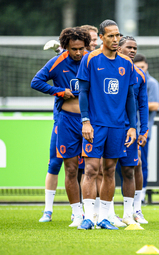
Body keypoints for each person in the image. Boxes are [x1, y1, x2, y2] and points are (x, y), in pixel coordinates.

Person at [77, 19, 137, 230]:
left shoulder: (127, 64)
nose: (115, 39)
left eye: (117, 35)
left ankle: (103, 217)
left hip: (118, 126)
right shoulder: (90, 59)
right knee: (91, 169)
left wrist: (132, 126)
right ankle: (88, 217)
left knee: (110, 170)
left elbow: (131, 97)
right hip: (95, 124)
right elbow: (83, 92)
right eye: (110, 36)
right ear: (101, 37)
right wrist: (85, 121)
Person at [31, 27, 91, 227]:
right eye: (74, 49)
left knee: (94, 168)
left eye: (81, 48)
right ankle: (76, 214)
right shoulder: (57, 62)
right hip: (66, 121)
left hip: (90, 121)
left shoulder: (91, 60)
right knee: (69, 168)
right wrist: (58, 91)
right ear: (65, 47)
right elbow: (36, 81)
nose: (78, 53)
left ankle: (97, 213)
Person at [115, 36, 149, 225]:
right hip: (109, 127)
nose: (133, 50)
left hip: (130, 131)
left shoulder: (139, 75)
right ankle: (107, 212)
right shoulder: (106, 69)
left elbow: (142, 107)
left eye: (135, 48)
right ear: (118, 49)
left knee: (133, 168)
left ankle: (134, 211)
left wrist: (143, 131)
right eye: (129, 47)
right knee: (106, 170)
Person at [133, 54, 159, 202]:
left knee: (141, 162)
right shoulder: (130, 79)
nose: (140, 70)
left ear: (147, 66)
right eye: (138, 67)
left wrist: (135, 103)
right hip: (127, 129)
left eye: (142, 67)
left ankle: (141, 194)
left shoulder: (152, 83)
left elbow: (155, 105)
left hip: (143, 131)